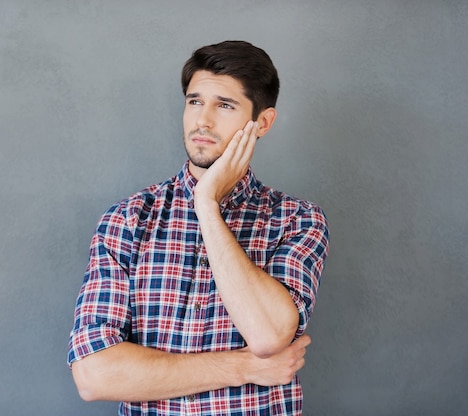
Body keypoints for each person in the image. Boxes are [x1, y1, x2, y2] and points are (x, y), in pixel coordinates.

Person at [67, 40, 329, 415]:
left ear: (263, 122)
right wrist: (243, 367)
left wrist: (206, 206)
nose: (202, 120)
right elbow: (94, 376)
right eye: (194, 101)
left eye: (224, 105)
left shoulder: (296, 220)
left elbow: (269, 336)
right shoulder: (127, 219)